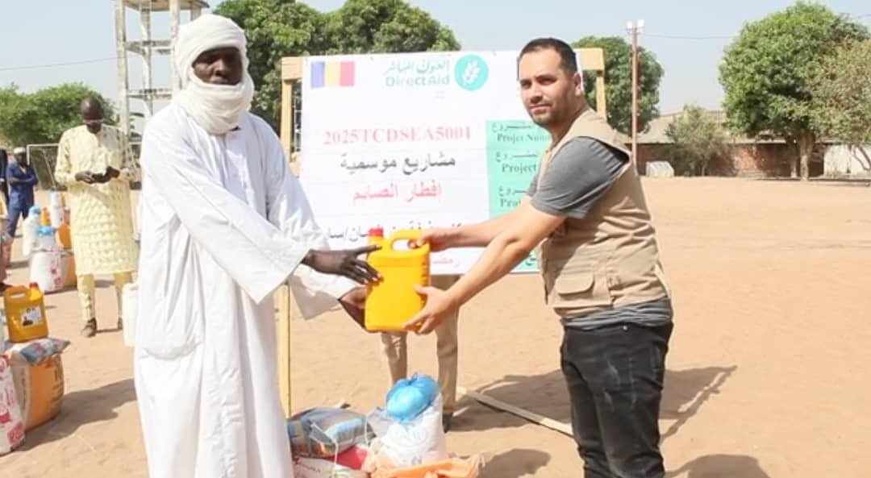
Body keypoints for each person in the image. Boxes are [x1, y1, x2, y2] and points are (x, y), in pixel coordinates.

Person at [406, 38, 674, 477]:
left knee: (631, 464)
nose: (534, 92)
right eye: (526, 83)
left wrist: (449, 301)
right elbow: (522, 218)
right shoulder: (562, 145)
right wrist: (452, 237)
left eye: (546, 80)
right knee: (597, 455)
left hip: (620, 322)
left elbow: (517, 242)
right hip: (590, 320)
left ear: (575, 82)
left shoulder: (586, 148)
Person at [133, 14, 379, 478]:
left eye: (231, 57)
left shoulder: (259, 133)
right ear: (189, 67)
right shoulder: (167, 132)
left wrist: (338, 288)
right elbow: (214, 212)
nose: (222, 68)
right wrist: (307, 258)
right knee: (190, 433)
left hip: (245, 305)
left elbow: (291, 214)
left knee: (252, 417)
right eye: (209, 59)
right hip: (186, 306)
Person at [54, 98, 139, 337]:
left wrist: (115, 173)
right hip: (85, 213)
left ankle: (126, 316)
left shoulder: (118, 136)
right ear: (83, 118)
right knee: (85, 271)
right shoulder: (70, 137)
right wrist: (78, 176)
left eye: (97, 121)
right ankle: (89, 319)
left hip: (116, 213)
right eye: (89, 122)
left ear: (103, 115)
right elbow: (60, 175)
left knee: (122, 269)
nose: (94, 126)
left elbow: (133, 171)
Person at [380, 274, 460, 431]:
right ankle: (396, 403)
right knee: (392, 340)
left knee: (446, 338)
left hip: (438, 262)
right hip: (397, 265)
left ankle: (445, 408)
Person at [6, 147, 38, 242]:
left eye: (23, 155)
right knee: (12, 222)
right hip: (16, 198)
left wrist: (20, 181)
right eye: (19, 155)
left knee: (29, 222)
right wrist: (27, 181)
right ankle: (6, 244)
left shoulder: (29, 167)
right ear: (15, 157)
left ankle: (31, 241)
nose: (21, 157)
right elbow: (11, 181)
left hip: (28, 199)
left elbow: (35, 180)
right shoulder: (11, 167)